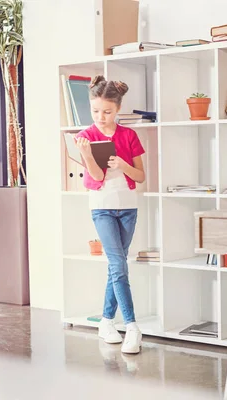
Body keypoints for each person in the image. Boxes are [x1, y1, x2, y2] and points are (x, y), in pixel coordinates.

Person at [75, 75, 146, 354]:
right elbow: (95, 175)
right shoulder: (86, 137)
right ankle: (131, 326)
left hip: (128, 207)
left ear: (117, 109)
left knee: (117, 267)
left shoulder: (129, 136)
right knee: (118, 266)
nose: (100, 117)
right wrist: (89, 155)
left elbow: (140, 175)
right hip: (101, 207)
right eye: (95, 111)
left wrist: (124, 164)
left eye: (107, 112)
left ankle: (106, 321)